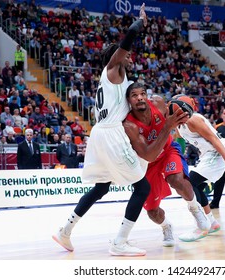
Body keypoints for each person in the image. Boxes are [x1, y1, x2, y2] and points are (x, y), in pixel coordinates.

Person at [52, 4, 167, 257]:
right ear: (115, 58)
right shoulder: (112, 72)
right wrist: (139, 24)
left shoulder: (118, 80)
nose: (128, 56)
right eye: (124, 54)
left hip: (100, 135)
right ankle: (120, 242)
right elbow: (125, 43)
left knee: (101, 187)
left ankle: (65, 231)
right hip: (112, 135)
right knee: (142, 188)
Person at [124, 83, 209, 247]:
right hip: (147, 163)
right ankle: (166, 226)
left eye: (142, 93)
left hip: (169, 150)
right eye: (135, 95)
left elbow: (176, 116)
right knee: (152, 212)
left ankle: (195, 208)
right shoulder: (130, 125)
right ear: (129, 100)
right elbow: (149, 155)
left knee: (175, 179)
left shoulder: (157, 103)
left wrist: (182, 117)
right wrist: (168, 126)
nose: (140, 97)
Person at [175, 95, 225, 241]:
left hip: (217, 151)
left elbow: (214, 139)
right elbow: (180, 141)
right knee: (194, 187)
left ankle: (202, 226)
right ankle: (212, 222)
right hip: (206, 154)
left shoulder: (193, 120)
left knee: (189, 184)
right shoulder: (179, 124)